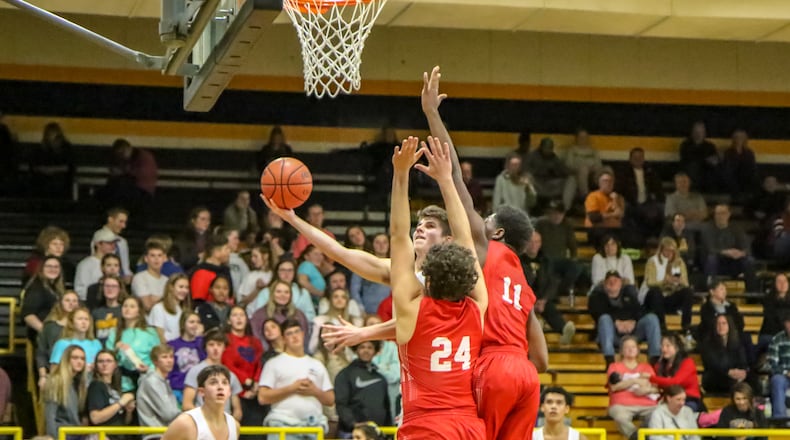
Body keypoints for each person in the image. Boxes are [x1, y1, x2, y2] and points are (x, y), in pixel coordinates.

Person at [320, 68, 549, 439]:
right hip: (523, 372)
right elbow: (542, 358)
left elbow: (455, 185)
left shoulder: (477, 251)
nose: (480, 221)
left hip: (480, 378)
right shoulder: (518, 280)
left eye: (487, 220)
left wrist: (431, 115)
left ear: (498, 232)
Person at [387, 135, 487, 438]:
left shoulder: (411, 309)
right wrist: (447, 180)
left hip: (426, 427)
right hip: (469, 427)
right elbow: (466, 238)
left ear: (427, 276)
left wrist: (401, 174)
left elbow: (398, 235)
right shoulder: (476, 307)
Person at [258, 319, 335, 440]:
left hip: (313, 426)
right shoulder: (273, 363)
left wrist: (314, 391)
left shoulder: (317, 364)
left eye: (297, 332)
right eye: (289, 334)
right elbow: (262, 397)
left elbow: (330, 399)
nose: (294, 336)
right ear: (283, 339)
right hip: (282, 425)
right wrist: (292, 388)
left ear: (303, 334)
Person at [589, 270, 661, 367]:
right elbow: (598, 312)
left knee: (652, 318)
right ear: (605, 284)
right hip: (613, 336)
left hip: (633, 333)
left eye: (615, 280)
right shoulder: (597, 296)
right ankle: (610, 362)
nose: (612, 282)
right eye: (609, 281)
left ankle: (655, 360)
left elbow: (639, 310)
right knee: (605, 319)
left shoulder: (629, 294)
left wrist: (634, 321)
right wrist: (616, 322)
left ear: (621, 283)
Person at [520, 231, 576, 344]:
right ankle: (535, 329)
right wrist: (531, 302)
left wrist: (544, 300)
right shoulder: (518, 260)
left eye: (537, 242)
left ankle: (564, 329)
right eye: (531, 242)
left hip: (541, 297)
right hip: (523, 299)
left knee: (549, 307)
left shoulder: (546, 260)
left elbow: (552, 282)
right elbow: (519, 283)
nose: (534, 245)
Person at [161, 365, 241, 440]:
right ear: (201, 391)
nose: (220, 387)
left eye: (224, 383)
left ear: (229, 391)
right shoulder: (185, 423)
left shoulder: (234, 425)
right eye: (213, 382)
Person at [605, 336, 659, 440]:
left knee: (659, 413)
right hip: (622, 405)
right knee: (619, 415)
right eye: (627, 347)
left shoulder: (647, 367)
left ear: (638, 350)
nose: (630, 349)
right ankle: (636, 437)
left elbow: (656, 388)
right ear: (621, 351)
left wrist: (647, 389)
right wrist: (635, 380)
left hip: (647, 404)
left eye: (633, 347)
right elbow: (614, 387)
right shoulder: (614, 366)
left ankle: (642, 434)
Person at [183, 329, 243, 420]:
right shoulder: (195, 371)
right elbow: (187, 405)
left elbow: (237, 410)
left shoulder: (231, 375)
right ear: (205, 347)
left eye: (219, 345)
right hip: (201, 425)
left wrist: (229, 423)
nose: (215, 348)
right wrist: (206, 419)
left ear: (224, 347)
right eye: (211, 344)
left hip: (224, 426)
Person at [334, 340, 391, 436]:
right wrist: (354, 424)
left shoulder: (381, 378)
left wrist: (388, 433)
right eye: (362, 347)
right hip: (350, 433)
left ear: (375, 351)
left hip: (377, 433)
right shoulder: (345, 375)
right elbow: (341, 404)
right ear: (356, 350)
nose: (366, 350)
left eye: (370, 347)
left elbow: (386, 407)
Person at [639, 237, 694, 333]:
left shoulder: (679, 262)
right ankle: (662, 326)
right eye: (666, 250)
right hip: (652, 298)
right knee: (656, 292)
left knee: (688, 292)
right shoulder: (653, 261)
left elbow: (686, 283)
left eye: (671, 251)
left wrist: (679, 281)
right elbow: (650, 282)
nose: (669, 253)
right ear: (661, 250)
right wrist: (664, 281)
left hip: (670, 295)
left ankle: (686, 325)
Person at [106, 296, 161, 392]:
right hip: (123, 382)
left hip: (146, 378)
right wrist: (116, 349)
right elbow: (107, 356)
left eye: (132, 307)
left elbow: (158, 356)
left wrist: (150, 368)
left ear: (139, 311)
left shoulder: (150, 333)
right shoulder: (115, 333)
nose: (127, 309)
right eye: (125, 306)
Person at [222, 306, 265, 427]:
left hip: (254, 392)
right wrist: (245, 382)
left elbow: (259, 364)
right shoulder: (225, 339)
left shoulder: (255, 341)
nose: (239, 318)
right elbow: (228, 365)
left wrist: (255, 384)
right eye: (235, 315)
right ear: (229, 321)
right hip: (235, 392)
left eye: (242, 315)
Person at [702, 204, 759, 293]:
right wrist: (726, 252)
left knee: (749, 260)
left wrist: (740, 253)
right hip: (718, 263)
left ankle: (752, 294)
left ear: (729, 214)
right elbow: (710, 249)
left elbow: (746, 248)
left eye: (723, 213)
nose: (720, 216)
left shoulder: (736, 229)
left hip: (734, 263)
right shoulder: (708, 229)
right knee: (711, 259)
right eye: (718, 213)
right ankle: (710, 291)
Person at [701, 314, 759, 394]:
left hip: (735, 374)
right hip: (716, 376)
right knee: (729, 381)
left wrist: (742, 372)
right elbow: (713, 364)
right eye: (718, 323)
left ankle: (756, 404)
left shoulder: (737, 341)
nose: (721, 326)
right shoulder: (708, 343)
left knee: (754, 380)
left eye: (724, 323)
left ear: (729, 325)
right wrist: (728, 372)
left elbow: (742, 361)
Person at [245, 259, 316, 323]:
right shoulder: (265, 292)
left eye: (290, 270)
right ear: (277, 272)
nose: (286, 274)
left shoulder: (303, 293)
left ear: (295, 273)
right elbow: (259, 315)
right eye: (283, 270)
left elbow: (311, 316)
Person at [36, 291, 79, 392]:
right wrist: (43, 376)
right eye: (67, 300)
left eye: (74, 301)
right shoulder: (50, 326)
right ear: (60, 303)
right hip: (55, 371)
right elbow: (41, 352)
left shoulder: (83, 325)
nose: (71, 303)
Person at [649, 333, 703, 412]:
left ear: (677, 348)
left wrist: (651, 378)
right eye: (662, 346)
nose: (664, 349)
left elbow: (675, 382)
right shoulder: (660, 365)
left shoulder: (688, 362)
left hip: (688, 399)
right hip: (669, 400)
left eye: (668, 346)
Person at [249, 280, 310, 349]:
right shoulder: (259, 315)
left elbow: (305, 338)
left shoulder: (299, 314)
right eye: (278, 292)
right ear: (272, 294)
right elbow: (257, 339)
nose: (282, 295)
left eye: (286, 292)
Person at [44, 345, 88, 438]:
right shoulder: (56, 381)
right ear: (66, 359)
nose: (79, 362)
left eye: (82, 359)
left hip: (76, 433)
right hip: (61, 433)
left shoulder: (79, 384)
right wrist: (52, 437)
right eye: (75, 358)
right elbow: (50, 415)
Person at [137, 345, 182, 432]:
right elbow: (168, 414)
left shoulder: (163, 381)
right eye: (164, 357)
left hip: (166, 432)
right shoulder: (152, 381)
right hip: (156, 434)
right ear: (155, 361)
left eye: (171, 357)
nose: (169, 361)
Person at [87, 349, 135, 429]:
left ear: (115, 364)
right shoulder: (96, 386)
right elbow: (95, 418)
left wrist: (129, 411)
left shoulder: (115, 387)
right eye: (100, 361)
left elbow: (125, 422)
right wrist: (121, 402)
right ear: (96, 365)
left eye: (109, 361)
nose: (105, 364)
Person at [22, 255, 65, 343]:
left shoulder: (55, 288)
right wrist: (47, 332)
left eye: (56, 267)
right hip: (41, 334)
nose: (53, 269)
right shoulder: (37, 288)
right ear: (41, 269)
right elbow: (28, 315)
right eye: (49, 266)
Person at [525, 137, 574, 210]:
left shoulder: (554, 157)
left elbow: (564, 171)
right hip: (536, 183)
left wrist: (556, 171)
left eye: (550, 148)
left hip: (550, 184)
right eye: (546, 148)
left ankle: (565, 209)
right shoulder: (532, 156)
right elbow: (525, 170)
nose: (547, 150)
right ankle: (531, 208)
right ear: (541, 147)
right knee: (527, 177)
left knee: (572, 179)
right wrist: (538, 170)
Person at [168, 312, 206, 405]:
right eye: (192, 322)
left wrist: (199, 339)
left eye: (198, 322)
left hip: (198, 389)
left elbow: (205, 362)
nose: (195, 325)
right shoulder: (172, 345)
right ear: (183, 324)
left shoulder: (202, 343)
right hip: (178, 388)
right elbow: (169, 369)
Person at [30, 121, 74, 198]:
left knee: (57, 182)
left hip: (60, 181)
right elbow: (34, 166)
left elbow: (70, 167)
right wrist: (43, 169)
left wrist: (51, 170)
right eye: (49, 134)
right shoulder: (41, 149)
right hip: (44, 180)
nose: (51, 136)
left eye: (53, 133)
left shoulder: (66, 147)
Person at [350, 234, 391, 315]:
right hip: (368, 312)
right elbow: (354, 289)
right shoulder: (363, 264)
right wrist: (360, 308)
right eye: (377, 242)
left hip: (391, 312)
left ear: (389, 245)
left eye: (385, 242)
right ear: (372, 245)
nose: (381, 245)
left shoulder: (398, 264)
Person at [75, 229, 119, 301]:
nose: (113, 246)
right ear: (98, 244)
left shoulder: (114, 263)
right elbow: (80, 291)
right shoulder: (85, 265)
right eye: (109, 243)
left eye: (114, 243)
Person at [189, 233, 233, 303]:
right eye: (226, 249)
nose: (229, 252)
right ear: (216, 252)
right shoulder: (201, 273)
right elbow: (198, 303)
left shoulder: (225, 270)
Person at [90, 208, 132, 280]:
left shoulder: (123, 242)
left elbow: (125, 267)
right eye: (121, 222)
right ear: (110, 219)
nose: (123, 226)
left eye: (125, 222)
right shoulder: (99, 236)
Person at [148, 273, 192, 342]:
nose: (184, 291)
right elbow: (160, 337)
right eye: (181, 287)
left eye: (187, 287)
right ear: (171, 287)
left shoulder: (183, 309)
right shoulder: (159, 308)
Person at [678, 121, 720, 193]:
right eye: (696, 131)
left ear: (705, 133)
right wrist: (705, 160)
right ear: (692, 132)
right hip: (692, 172)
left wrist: (711, 161)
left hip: (707, 171)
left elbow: (714, 159)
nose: (698, 134)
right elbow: (688, 159)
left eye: (701, 132)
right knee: (693, 167)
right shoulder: (685, 145)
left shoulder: (710, 146)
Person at [564, 127, 603, 199]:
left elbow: (599, 166)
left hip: (592, 175)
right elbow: (568, 165)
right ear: (576, 138)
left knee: (608, 169)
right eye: (580, 137)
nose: (582, 139)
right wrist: (581, 169)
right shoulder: (572, 150)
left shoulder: (593, 151)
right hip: (576, 174)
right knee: (582, 170)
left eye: (584, 137)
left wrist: (591, 169)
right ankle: (584, 196)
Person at [722, 129, 758, 200]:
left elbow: (752, 167)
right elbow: (727, 167)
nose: (739, 139)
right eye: (737, 137)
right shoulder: (728, 152)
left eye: (741, 137)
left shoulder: (749, 153)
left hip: (746, 177)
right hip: (733, 176)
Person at [133, 242, 169, 312]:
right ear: (146, 259)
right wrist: (165, 299)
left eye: (159, 255)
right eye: (152, 255)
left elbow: (172, 304)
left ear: (164, 258)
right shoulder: (139, 278)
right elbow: (147, 305)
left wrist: (153, 298)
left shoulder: (167, 280)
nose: (156, 259)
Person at [759, 273, 790, 353]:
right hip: (771, 334)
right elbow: (771, 320)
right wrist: (786, 324)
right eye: (779, 281)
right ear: (774, 284)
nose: (782, 284)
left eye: (784, 281)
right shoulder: (768, 300)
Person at [174, 206, 212, 272]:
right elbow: (182, 259)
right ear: (193, 220)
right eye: (203, 219)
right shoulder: (184, 238)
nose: (207, 222)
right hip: (190, 271)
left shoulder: (212, 237)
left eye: (208, 219)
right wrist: (198, 256)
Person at [767, 312, 790, 418]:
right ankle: (780, 420)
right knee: (776, 380)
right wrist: (786, 373)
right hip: (783, 375)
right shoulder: (777, 339)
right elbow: (772, 363)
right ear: (785, 324)